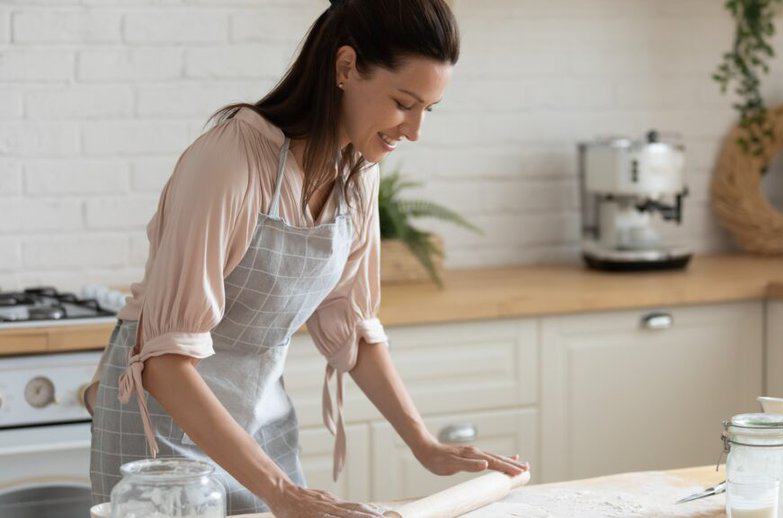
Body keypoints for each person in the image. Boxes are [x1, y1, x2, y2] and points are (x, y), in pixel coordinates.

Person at [84, 0, 529, 516]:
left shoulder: (358, 171)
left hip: (259, 413)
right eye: (404, 102)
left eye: (427, 109)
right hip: (161, 428)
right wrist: (283, 493)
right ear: (345, 68)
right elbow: (163, 359)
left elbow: (352, 324)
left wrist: (424, 443)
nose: (414, 131)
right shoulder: (232, 159)